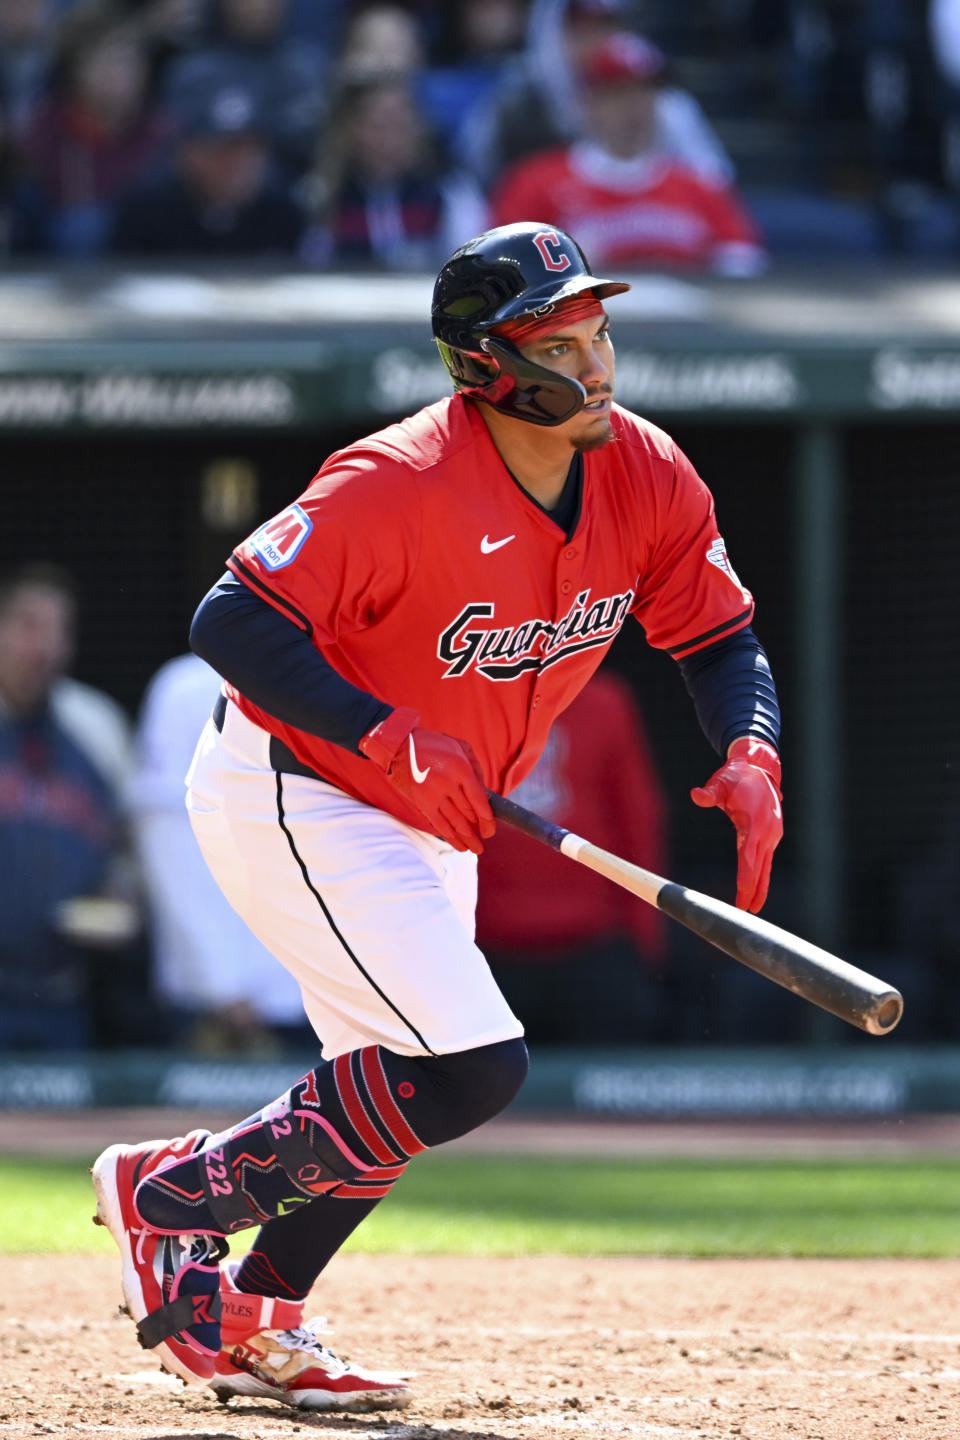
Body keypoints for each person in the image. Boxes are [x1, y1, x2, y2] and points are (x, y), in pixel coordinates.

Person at [91, 220, 782, 1412]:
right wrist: (381, 730)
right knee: (466, 1067)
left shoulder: (648, 470)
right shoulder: (395, 481)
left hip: (435, 806)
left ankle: (259, 1310)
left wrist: (752, 748)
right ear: (489, 365)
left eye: (599, 328)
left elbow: (719, 636)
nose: (598, 358)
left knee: (389, 1082)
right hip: (300, 786)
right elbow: (230, 622)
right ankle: (169, 1194)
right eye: (564, 338)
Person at [129, 651, 312, 1053]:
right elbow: (167, 842)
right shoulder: (187, 687)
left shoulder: (324, 677)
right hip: (208, 995)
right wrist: (221, 981)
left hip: (309, 990)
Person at [475, 667, 670, 1043]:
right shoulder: (464, 703)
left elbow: (638, 822)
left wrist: (646, 941)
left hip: (595, 951)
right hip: (486, 953)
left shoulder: (605, 702)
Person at [492, 31, 767, 274]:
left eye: (645, 92)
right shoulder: (535, 181)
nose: (635, 106)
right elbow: (502, 266)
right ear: (587, 103)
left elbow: (742, 262)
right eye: (618, 93)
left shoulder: (701, 185)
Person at [0, 563, 134, 1049]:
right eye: (29, 626)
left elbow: (129, 847)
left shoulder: (96, 726)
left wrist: (121, 894)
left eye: (60, 630)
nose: (46, 645)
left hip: (63, 993)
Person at [18, 0, 172, 257]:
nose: (122, 73)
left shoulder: (161, 132)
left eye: (130, 60)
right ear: (77, 69)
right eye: (109, 60)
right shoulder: (45, 133)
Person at [109, 57, 306, 257]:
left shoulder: (282, 208)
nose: (239, 163)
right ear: (185, 152)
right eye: (221, 149)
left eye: (250, 147)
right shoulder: (148, 210)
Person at [299, 72, 487, 271]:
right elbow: (310, 269)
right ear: (351, 130)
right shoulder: (325, 198)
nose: (389, 140)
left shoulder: (449, 194)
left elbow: (471, 264)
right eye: (378, 126)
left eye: (400, 125)